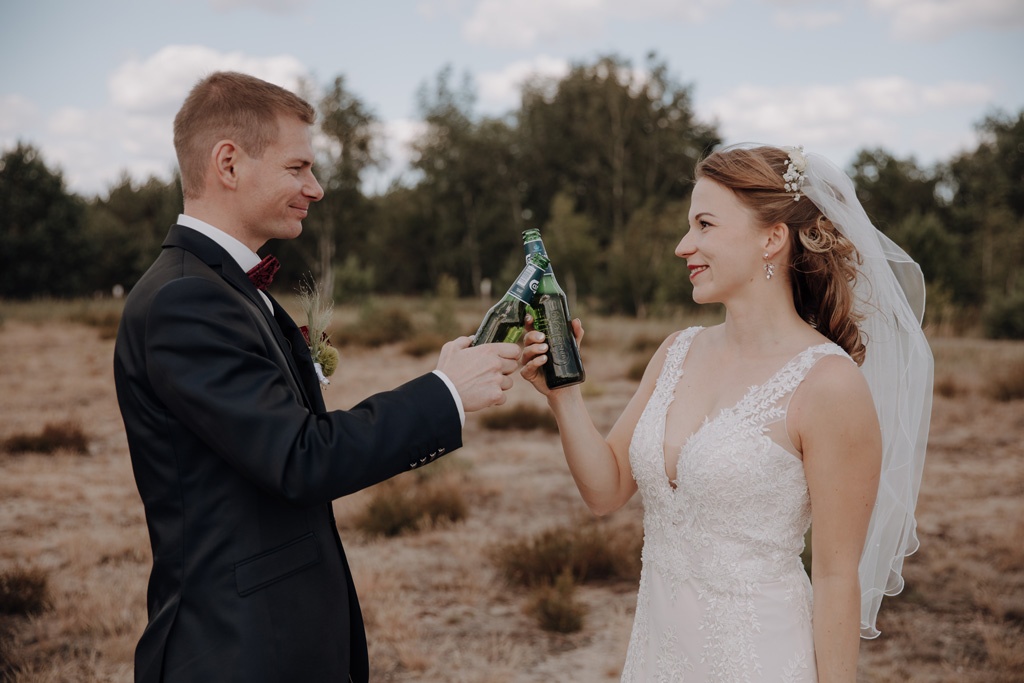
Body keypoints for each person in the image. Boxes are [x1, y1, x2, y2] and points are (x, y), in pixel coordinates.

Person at [113, 71, 522, 683]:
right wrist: (447, 393)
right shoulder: (185, 301)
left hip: (273, 637)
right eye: (298, 167)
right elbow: (300, 458)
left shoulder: (224, 289)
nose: (317, 187)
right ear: (229, 164)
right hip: (236, 650)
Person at [520, 144, 933, 682]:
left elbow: (835, 578)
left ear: (771, 238)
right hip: (658, 657)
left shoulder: (829, 385)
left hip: (759, 660)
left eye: (705, 225)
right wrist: (563, 395)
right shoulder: (676, 352)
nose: (682, 246)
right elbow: (606, 490)